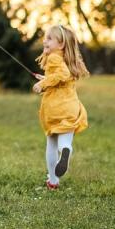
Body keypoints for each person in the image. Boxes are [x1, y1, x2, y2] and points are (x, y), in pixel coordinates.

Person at [32, 24, 89, 190]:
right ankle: (66, 151)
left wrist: (43, 83)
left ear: (61, 44)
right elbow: (62, 78)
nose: (45, 41)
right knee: (65, 140)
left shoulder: (54, 57)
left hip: (55, 108)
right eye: (45, 37)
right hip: (70, 107)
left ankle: (53, 181)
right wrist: (47, 78)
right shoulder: (67, 58)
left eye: (49, 38)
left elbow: (61, 75)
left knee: (51, 142)